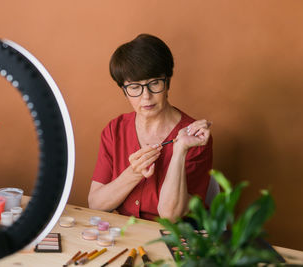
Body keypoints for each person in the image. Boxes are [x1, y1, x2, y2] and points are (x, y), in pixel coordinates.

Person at [88, 34, 212, 223]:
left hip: (176, 241)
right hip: (125, 235)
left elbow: (171, 216)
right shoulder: (115, 130)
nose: (146, 96)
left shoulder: (195, 136)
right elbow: (96, 203)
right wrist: (133, 173)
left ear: (167, 82)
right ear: (124, 90)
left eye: (154, 83)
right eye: (135, 87)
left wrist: (179, 151)